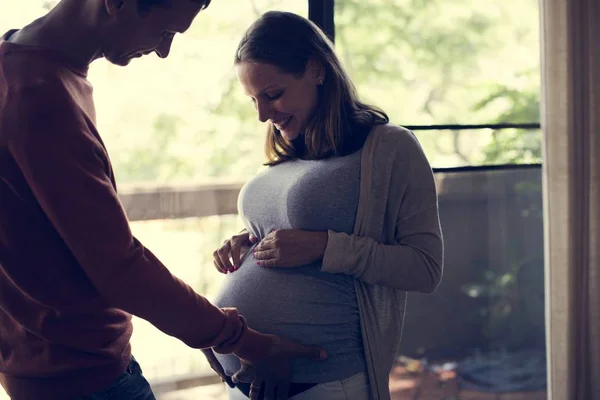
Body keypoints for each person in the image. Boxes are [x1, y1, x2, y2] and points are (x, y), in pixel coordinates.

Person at [0, 2, 327, 400]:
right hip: (81, 377)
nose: (163, 50)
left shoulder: (24, 66)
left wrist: (203, 325)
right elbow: (118, 267)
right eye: (164, 32)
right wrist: (240, 339)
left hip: (54, 366)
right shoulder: (39, 97)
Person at [209, 11, 444, 400]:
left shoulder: (389, 148)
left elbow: (425, 268)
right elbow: (285, 238)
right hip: (250, 378)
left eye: (273, 94)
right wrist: (246, 244)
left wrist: (324, 246)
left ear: (316, 70)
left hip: (324, 383)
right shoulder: (287, 150)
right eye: (253, 100)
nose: (263, 115)